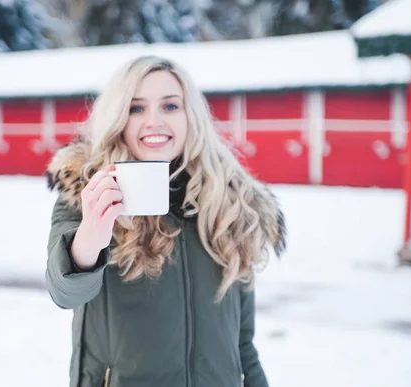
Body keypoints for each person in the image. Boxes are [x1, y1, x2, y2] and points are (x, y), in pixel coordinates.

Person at [45, 55, 286, 387]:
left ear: (191, 116)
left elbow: (242, 345)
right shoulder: (87, 192)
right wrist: (91, 235)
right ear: (118, 118)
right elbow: (65, 292)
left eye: (170, 106)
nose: (154, 121)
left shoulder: (231, 205)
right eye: (136, 108)